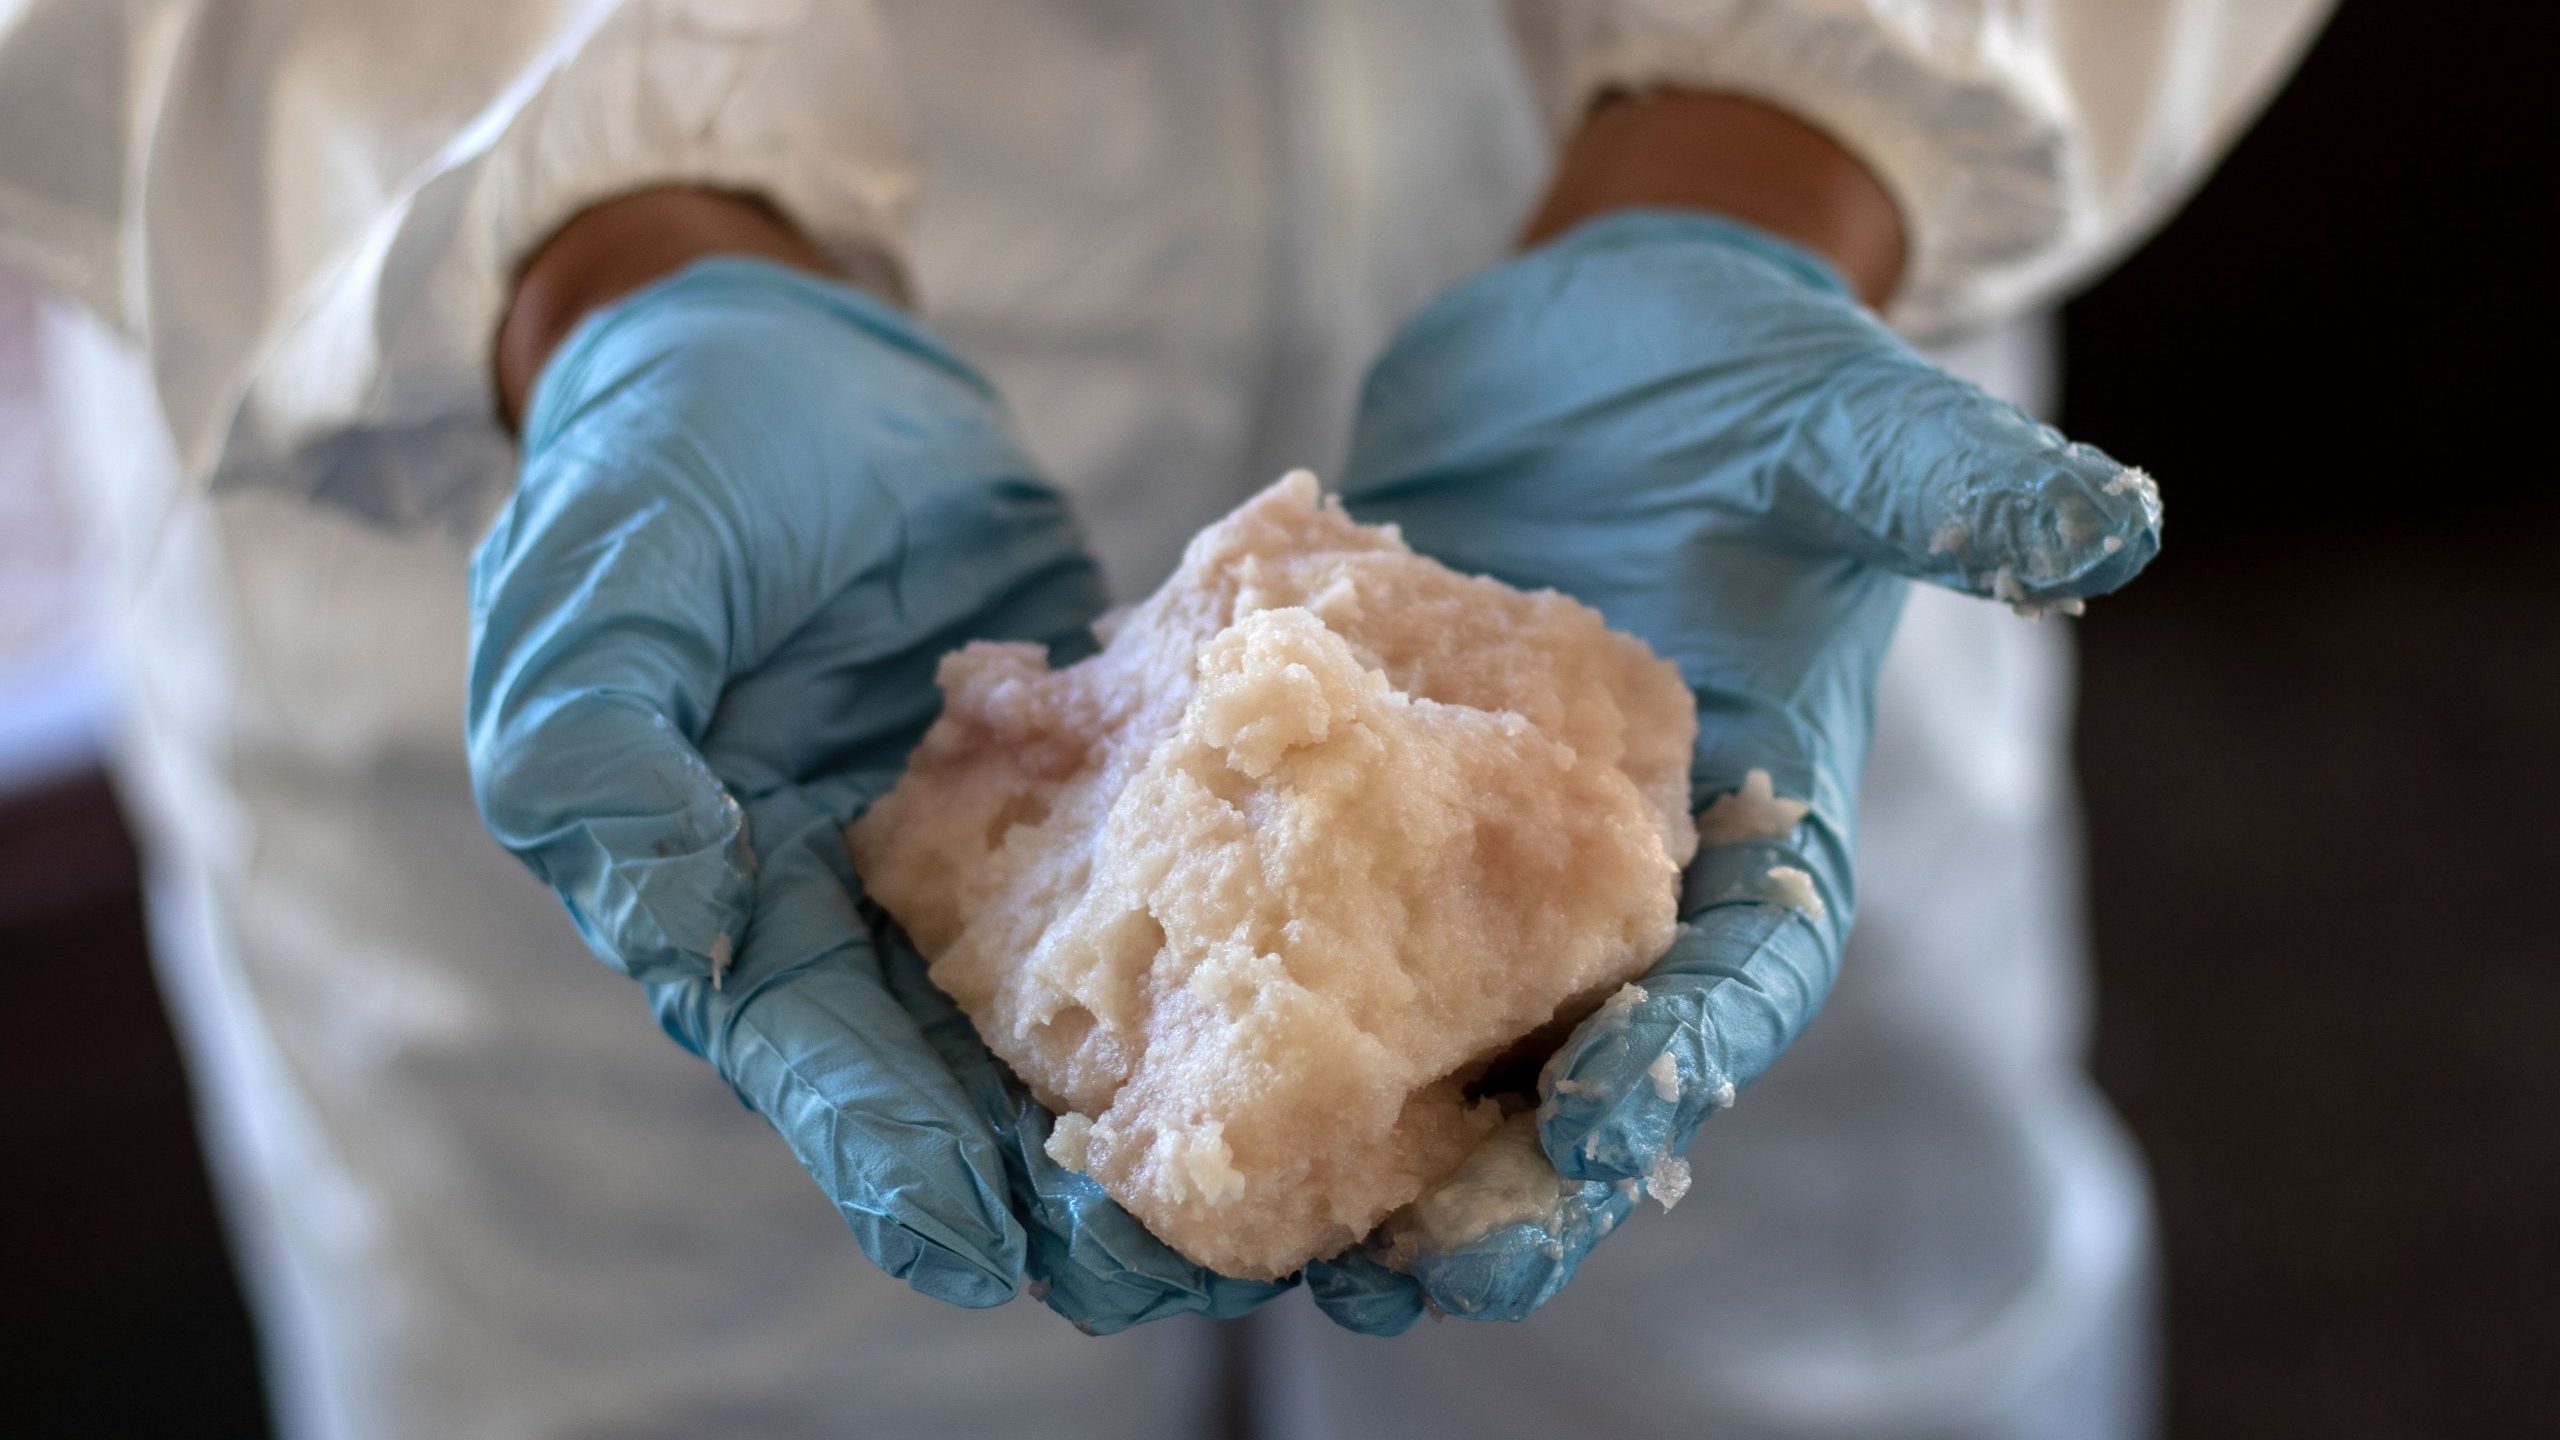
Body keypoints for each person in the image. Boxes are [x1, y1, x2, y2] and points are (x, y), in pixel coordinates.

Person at [0, 2, 2332, 1436]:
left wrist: (1772, 150)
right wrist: (594, 237)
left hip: (1696, 390)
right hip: (607, 462)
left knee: (1792, 1352)